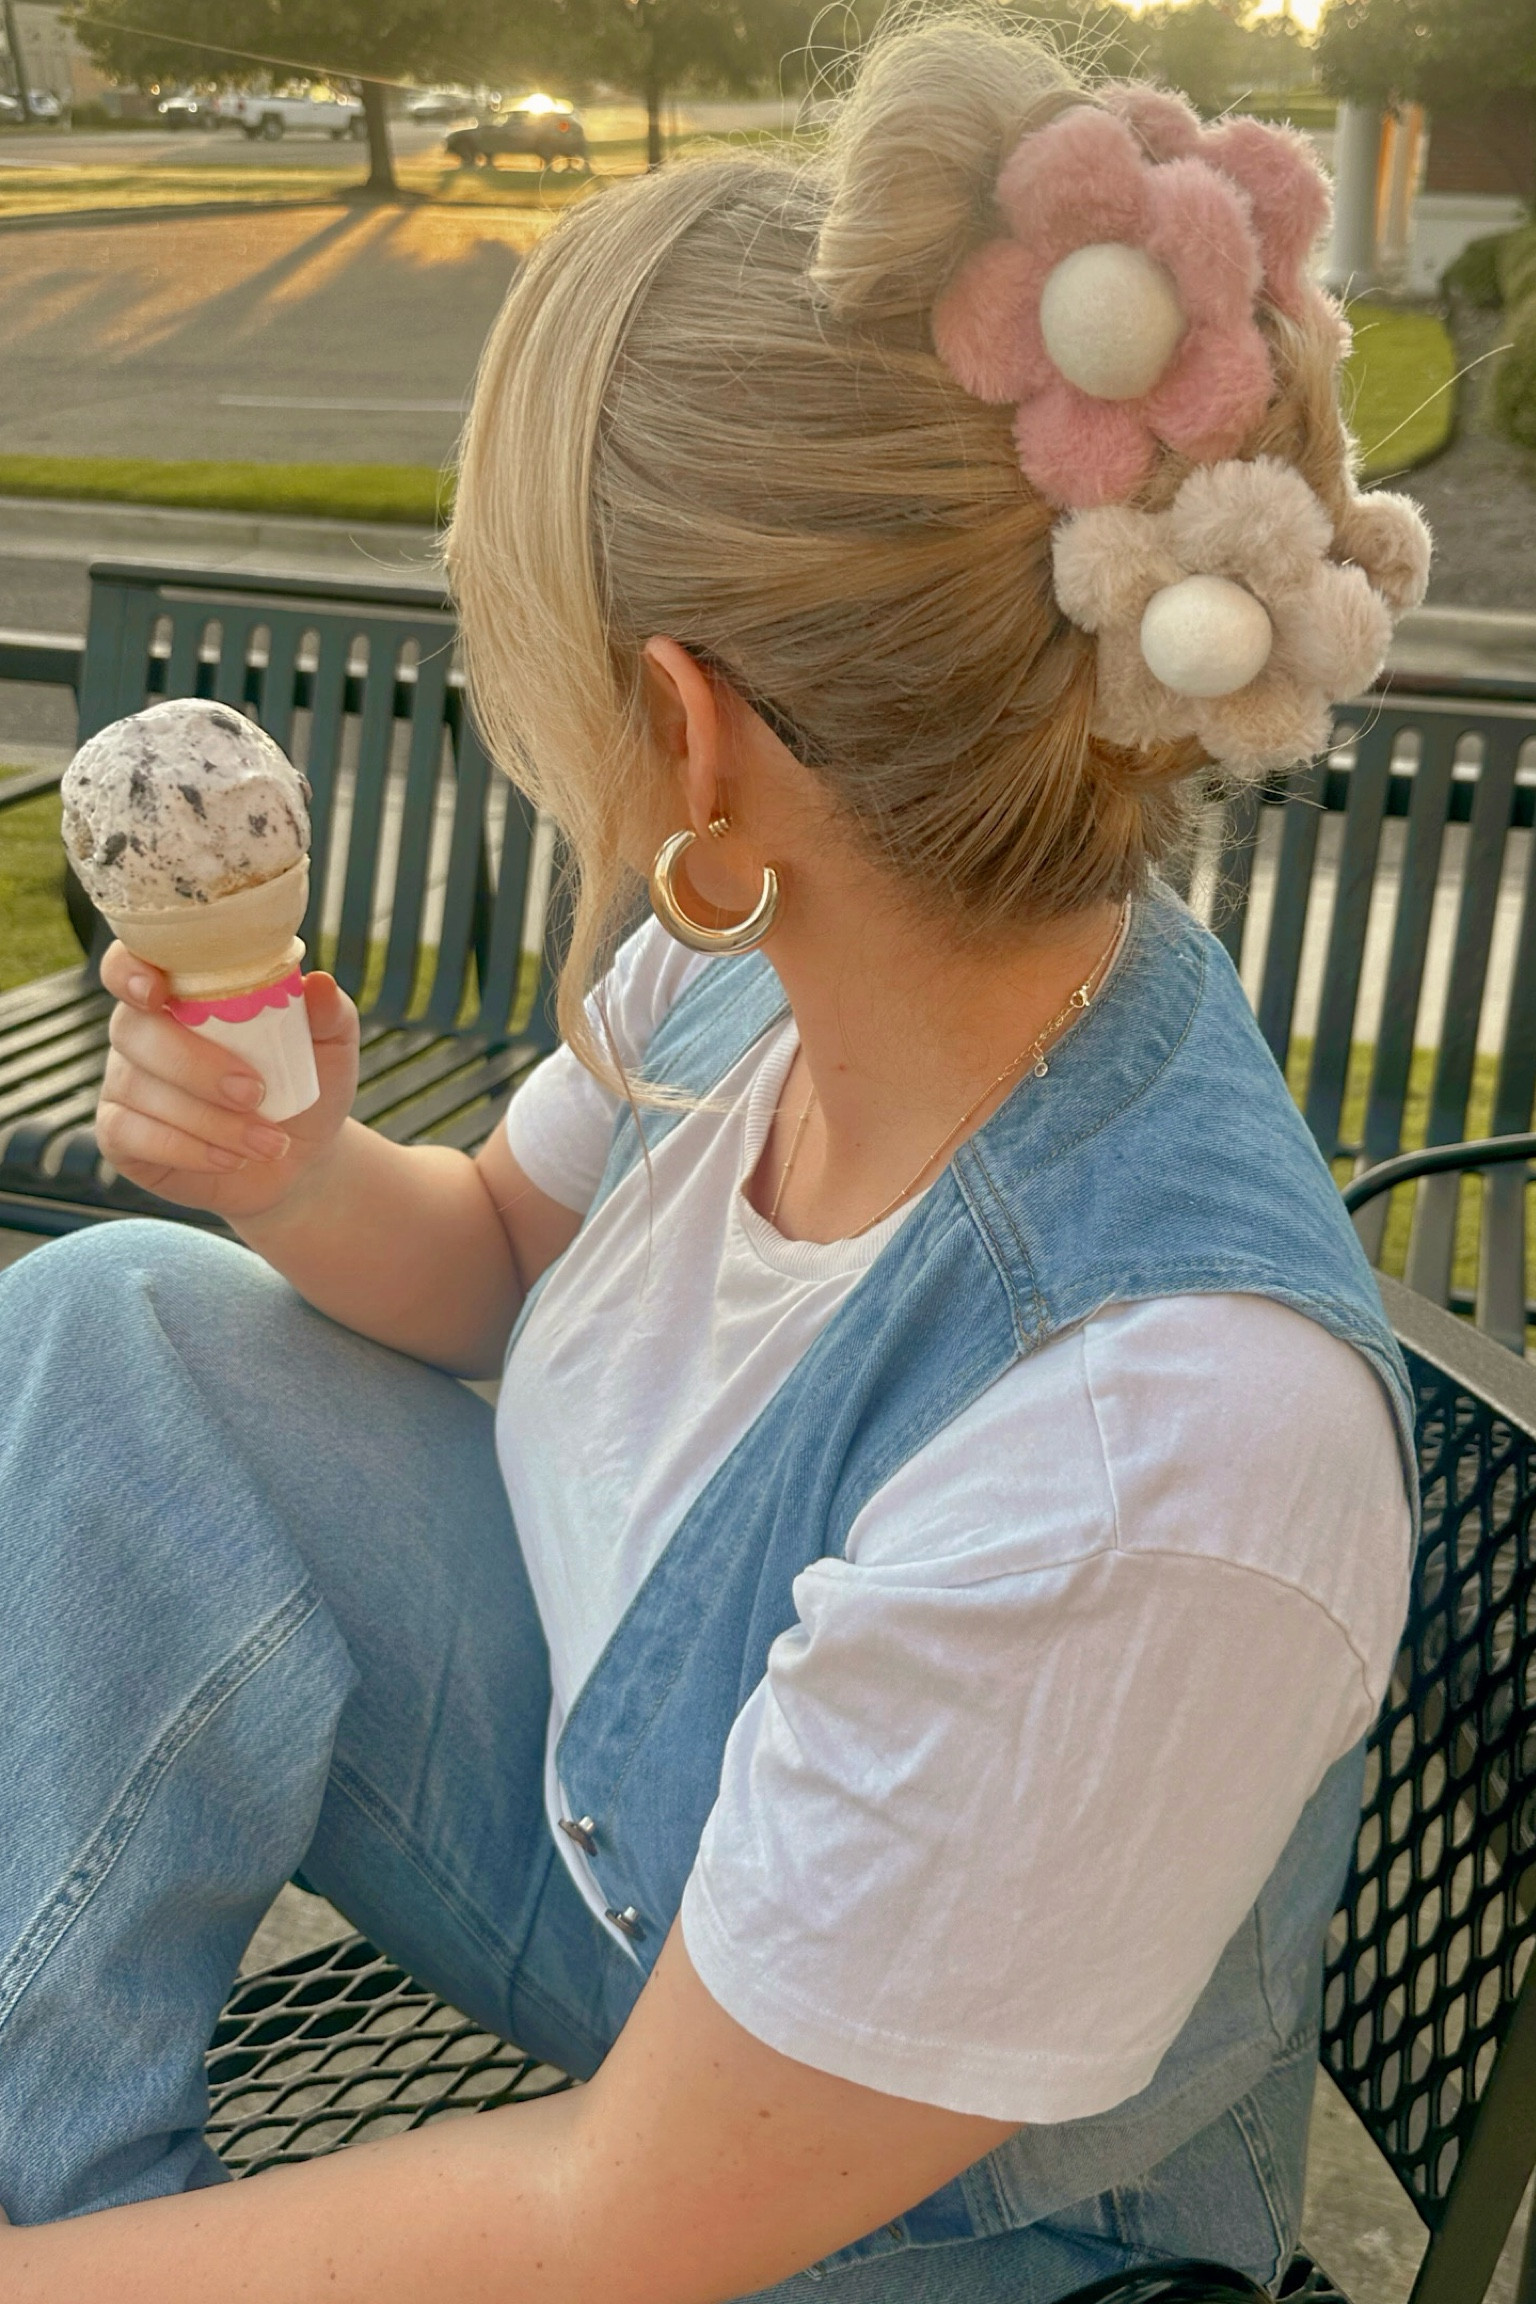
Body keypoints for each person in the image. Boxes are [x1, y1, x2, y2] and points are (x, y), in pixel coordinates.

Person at [0, 14, 1430, 2300]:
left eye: (522, 638)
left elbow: (624, 2216)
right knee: (114, 1331)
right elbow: (490, 1259)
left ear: (689, 734)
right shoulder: (781, 940)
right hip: (661, 1862)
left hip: (928, 2205)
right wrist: (289, 1175)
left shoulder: (1147, 1439)